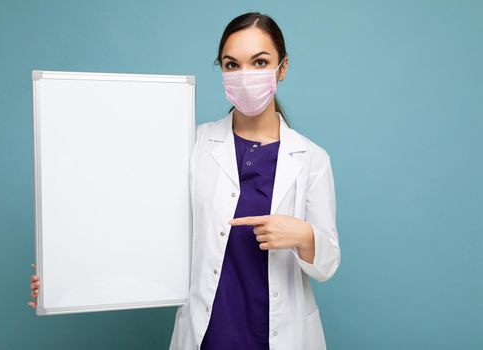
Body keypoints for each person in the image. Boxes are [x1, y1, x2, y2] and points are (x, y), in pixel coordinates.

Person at [29, 11, 340, 350]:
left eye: (260, 62)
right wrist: (62, 275)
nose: (245, 75)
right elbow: (138, 222)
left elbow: (327, 264)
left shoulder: (312, 159)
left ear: (283, 68)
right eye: (232, 65)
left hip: (280, 334)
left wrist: (303, 235)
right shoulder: (191, 144)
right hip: (211, 331)